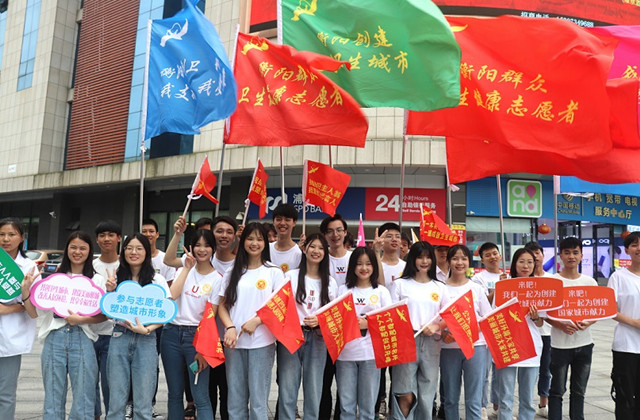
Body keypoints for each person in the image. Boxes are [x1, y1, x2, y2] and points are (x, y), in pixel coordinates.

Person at [22, 231, 107, 419]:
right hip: (55, 339)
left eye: (83, 248)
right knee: (53, 397)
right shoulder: (53, 279)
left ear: (89, 251)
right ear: (67, 249)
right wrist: (26, 291)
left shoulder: (97, 280)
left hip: (83, 339)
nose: (77, 252)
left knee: (84, 397)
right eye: (73, 247)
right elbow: (34, 313)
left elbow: (103, 316)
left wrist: (81, 320)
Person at [164, 215, 236, 420]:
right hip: (170, 334)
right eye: (197, 245)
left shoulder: (217, 279)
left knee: (200, 396)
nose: (202, 250)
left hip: (196, 337)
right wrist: (186, 266)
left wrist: (204, 350)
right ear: (191, 247)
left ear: (213, 249)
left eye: (207, 246)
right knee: (174, 394)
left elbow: (210, 316)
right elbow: (172, 295)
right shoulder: (183, 268)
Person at [217, 222, 285, 420]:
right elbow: (222, 306)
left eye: (259, 239)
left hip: (262, 343)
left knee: (258, 401)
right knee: (235, 401)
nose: (254, 243)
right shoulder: (232, 271)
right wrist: (230, 326)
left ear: (265, 243)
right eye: (250, 238)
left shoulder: (273, 272)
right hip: (234, 343)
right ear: (243, 241)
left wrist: (258, 320)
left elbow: (280, 306)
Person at [105, 233, 170, 420]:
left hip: (146, 338)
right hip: (119, 336)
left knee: (143, 403)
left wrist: (148, 329)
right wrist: (109, 291)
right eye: (129, 248)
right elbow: (108, 314)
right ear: (123, 251)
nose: (134, 252)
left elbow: (166, 313)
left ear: (146, 252)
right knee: (116, 402)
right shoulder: (115, 278)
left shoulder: (157, 280)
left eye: (139, 248)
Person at [277, 233, 338, 420]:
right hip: (291, 335)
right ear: (304, 249)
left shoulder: (330, 282)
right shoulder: (290, 276)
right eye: (312, 246)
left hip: (318, 337)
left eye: (321, 248)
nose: (316, 251)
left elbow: (334, 314)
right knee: (287, 387)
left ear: (325, 252)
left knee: (314, 388)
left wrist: (320, 320)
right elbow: (280, 305)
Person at [391, 241, 448, 420]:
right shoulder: (400, 284)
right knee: (404, 391)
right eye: (420, 257)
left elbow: (448, 316)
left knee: (427, 392)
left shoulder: (440, 287)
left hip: (432, 342)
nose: (424, 261)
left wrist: (436, 326)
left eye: (428, 257)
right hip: (406, 341)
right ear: (412, 259)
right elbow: (391, 314)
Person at [336, 246, 392, 420]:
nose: (364, 268)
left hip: (371, 355)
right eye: (359, 264)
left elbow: (389, 321)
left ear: (374, 266)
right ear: (352, 266)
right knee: (347, 407)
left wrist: (368, 323)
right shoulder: (343, 290)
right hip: (346, 355)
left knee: (368, 408)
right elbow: (336, 318)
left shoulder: (381, 291)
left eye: (368, 264)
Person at [544, 237, 597, 420]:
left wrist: (588, 322)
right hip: (560, 345)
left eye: (575, 252)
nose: (571, 256)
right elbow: (544, 313)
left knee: (579, 391)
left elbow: (598, 311)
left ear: (581, 255)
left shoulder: (590, 282)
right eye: (567, 253)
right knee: (557, 390)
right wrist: (560, 324)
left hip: (585, 344)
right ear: (560, 256)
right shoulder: (552, 282)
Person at [440, 245, 491, 420]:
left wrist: (469, 331)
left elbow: (487, 318)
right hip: (449, 348)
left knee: (474, 399)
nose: (459, 262)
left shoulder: (475, 288)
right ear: (448, 261)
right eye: (455, 258)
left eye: (463, 258)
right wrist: (443, 335)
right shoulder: (440, 288)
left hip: (475, 347)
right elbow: (435, 320)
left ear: (469, 262)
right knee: (450, 398)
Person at [494, 248, 544, 420]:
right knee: (505, 396)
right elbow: (494, 315)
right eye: (521, 261)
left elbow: (541, 322)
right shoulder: (504, 286)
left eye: (530, 262)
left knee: (527, 397)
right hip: (508, 343)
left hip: (531, 345)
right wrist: (501, 289)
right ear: (514, 264)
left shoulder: (539, 288)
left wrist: (536, 317)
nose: (526, 266)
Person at [1, 218, 39, 419]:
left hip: (10, 339)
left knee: (5, 394)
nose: (6, 239)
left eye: (11, 234)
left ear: (22, 238)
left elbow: (33, 309)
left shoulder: (29, 267)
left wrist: (9, 308)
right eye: (1, 234)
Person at [319, 214, 352, 420]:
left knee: (345, 381)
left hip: (348, 328)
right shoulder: (320, 257)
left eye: (339, 230)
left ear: (345, 232)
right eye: (330, 231)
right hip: (324, 329)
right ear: (324, 235)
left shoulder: (354, 258)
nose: (335, 235)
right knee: (323, 380)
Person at [142, 218, 175, 419]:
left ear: (157, 234)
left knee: (152, 364)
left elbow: (169, 290)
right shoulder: (132, 256)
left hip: (157, 322)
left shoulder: (164, 259)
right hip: (134, 319)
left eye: (150, 231)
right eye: (144, 231)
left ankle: (150, 404)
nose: (147, 234)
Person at [608, 231, 640, 419]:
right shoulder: (618, 277)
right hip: (626, 346)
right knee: (625, 396)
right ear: (627, 250)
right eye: (634, 245)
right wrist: (634, 323)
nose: (639, 248)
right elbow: (610, 309)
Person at [471, 242, 505, 418]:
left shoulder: (509, 275)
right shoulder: (478, 279)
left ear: (500, 255)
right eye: (488, 255)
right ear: (482, 260)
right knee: (483, 372)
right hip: (485, 330)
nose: (492, 257)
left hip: (503, 328)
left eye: (495, 253)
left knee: (501, 372)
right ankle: (482, 406)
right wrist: (500, 287)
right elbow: (483, 302)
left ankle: (498, 407)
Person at [377, 222, 407, 417]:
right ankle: (379, 401)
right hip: (380, 324)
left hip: (400, 325)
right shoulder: (375, 264)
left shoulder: (407, 267)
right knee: (379, 368)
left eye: (397, 236)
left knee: (398, 370)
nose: (394, 239)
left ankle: (394, 406)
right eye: (389, 236)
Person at [92, 219, 121, 419]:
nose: (106, 239)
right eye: (102, 235)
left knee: (112, 383)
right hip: (90, 332)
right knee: (89, 381)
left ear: (119, 238)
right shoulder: (90, 265)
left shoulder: (126, 264)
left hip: (114, 334)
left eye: (111, 235)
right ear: (97, 239)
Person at [524, 241, 552, 418]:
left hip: (546, 332)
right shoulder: (522, 280)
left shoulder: (552, 280)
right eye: (530, 254)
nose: (535, 257)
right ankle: (525, 404)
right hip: (526, 332)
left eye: (537, 253)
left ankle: (543, 403)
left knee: (545, 370)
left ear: (542, 255)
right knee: (526, 372)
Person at [270, 203, 302, 274]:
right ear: (273, 222)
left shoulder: (299, 253)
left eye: (287, 220)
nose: (282, 223)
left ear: (294, 222)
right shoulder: (266, 249)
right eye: (278, 219)